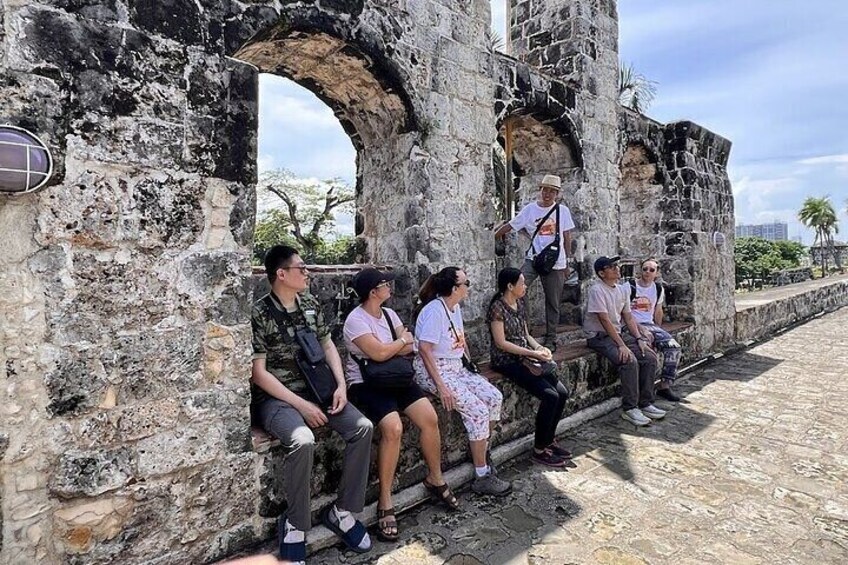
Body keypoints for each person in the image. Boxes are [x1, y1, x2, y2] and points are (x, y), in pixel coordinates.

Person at [251, 245, 373, 563]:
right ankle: (295, 523)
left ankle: (342, 511)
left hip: (319, 391)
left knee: (362, 427)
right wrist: (301, 406)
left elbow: (328, 345)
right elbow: (259, 373)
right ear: (281, 274)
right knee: (302, 440)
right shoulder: (260, 313)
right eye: (301, 268)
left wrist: (341, 386)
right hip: (278, 399)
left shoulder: (309, 303)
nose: (307, 273)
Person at [342, 268, 459, 542]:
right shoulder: (356, 321)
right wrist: (399, 342)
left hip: (395, 376)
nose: (390, 287)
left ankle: (435, 478)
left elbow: (410, 346)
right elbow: (379, 352)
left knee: (429, 418)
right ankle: (385, 500)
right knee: (393, 428)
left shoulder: (389, 314)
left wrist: (397, 345)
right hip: (367, 383)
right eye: (385, 284)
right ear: (373, 292)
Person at [413, 267, 512, 496]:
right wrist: (441, 386)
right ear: (454, 288)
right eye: (466, 283)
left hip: (456, 367)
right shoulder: (434, 311)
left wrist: (470, 366)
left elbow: (460, 338)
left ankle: (480, 449)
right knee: (478, 410)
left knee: (493, 397)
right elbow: (425, 350)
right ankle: (482, 474)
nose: (469, 287)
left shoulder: (454, 307)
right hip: (434, 369)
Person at [487, 267, 572, 467]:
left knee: (562, 392)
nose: (525, 286)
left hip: (526, 357)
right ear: (510, 286)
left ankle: (549, 440)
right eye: (522, 283)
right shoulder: (497, 308)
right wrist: (532, 353)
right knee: (550, 396)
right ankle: (539, 449)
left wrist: (539, 348)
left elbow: (526, 335)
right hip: (507, 360)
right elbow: (501, 343)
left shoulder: (520, 304)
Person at [494, 174, 576, 352]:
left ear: (557, 194)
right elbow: (512, 224)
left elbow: (567, 236)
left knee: (553, 301)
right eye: (545, 190)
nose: (547, 194)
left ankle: (551, 337)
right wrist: (494, 235)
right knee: (518, 288)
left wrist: (567, 262)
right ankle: (525, 329)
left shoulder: (562, 211)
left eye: (552, 191)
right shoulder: (530, 210)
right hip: (534, 258)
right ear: (540, 190)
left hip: (556, 261)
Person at [583, 255, 667, 426]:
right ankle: (630, 408)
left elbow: (628, 317)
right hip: (599, 336)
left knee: (649, 357)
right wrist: (621, 345)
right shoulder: (597, 290)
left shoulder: (621, 290)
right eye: (611, 267)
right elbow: (604, 320)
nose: (617, 268)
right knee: (629, 360)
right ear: (601, 273)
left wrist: (639, 339)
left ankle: (646, 402)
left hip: (617, 334)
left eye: (616, 265)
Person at [629, 258, 682, 402]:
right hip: (631, 324)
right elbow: (624, 312)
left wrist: (658, 331)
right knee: (646, 352)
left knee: (674, 347)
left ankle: (664, 386)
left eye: (651, 270)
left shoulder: (658, 289)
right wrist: (639, 329)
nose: (647, 272)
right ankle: (643, 393)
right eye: (645, 269)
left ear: (657, 273)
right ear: (640, 270)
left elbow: (658, 311)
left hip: (650, 325)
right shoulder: (630, 287)